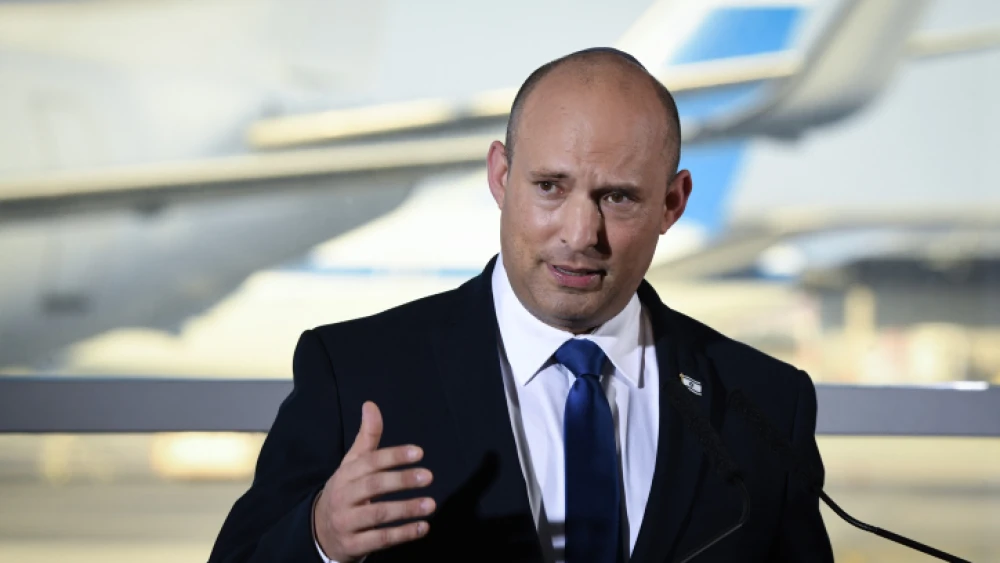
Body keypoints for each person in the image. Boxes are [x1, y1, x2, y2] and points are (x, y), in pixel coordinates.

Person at [209, 47, 833, 563]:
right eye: (549, 187)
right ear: (501, 177)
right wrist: (318, 538)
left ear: (672, 203)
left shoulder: (764, 406)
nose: (580, 234)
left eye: (617, 198)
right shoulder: (356, 373)